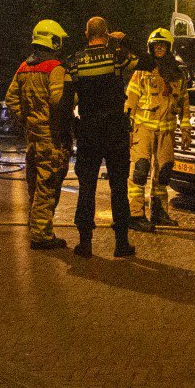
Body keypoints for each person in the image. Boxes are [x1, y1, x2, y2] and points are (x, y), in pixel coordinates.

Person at [67, 17, 136, 258]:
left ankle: (85, 243)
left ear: (86, 34)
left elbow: (68, 98)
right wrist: (121, 41)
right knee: (118, 186)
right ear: (106, 33)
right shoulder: (116, 56)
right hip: (115, 129)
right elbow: (143, 62)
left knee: (87, 187)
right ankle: (121, 243)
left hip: (88, 130)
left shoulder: (75, 61)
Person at [5, 19, 73, 250]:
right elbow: (58, 100)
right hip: (50, 136)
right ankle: (41, 235)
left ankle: (35, 225)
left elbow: (11, 98)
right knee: (48, 183)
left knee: (34, 183)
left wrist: (27, 118)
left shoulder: (24, 67)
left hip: (32, 135)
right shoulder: (55, 68)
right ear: (52, 40)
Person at [125, 27, 188, 230]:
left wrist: (186, 128)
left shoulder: (178, 75)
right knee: (140, 171)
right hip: (143, 129)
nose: (159, 49)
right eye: (156, 46)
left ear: (169, 47)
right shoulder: (141, 72)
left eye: (163, 46)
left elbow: (184, 103)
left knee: (164, 174)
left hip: (167, 131)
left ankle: (159, 212)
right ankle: (135, 215)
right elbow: (130, 100)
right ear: (150, 48)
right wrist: (127, 128)